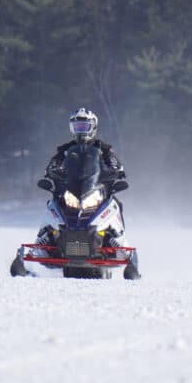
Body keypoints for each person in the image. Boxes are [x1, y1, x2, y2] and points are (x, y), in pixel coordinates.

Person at [36, 107, 139, 279]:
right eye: (78, 127)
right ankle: (42, 243)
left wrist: (115, 171)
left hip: (95, 189)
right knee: (52, 205)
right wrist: (52, 172)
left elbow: (115, 164)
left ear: (93, 127)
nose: (81, 131)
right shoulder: (65, 150)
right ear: (72, 128)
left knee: (115, 204)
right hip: (71, 191)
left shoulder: (103, 148)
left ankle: (119, 244)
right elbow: (53, 165)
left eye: (84, 126)